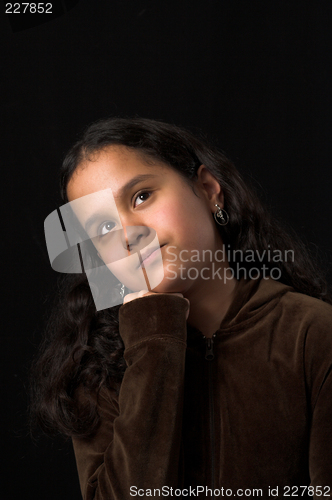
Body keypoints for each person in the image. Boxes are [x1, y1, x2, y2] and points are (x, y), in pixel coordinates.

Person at [31, 117, 332, 500]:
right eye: (103, 229)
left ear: (208, 190)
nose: (128, 234)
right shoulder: (98, 370)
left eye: (141, 196)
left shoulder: (313, 336)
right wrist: (153, 342)